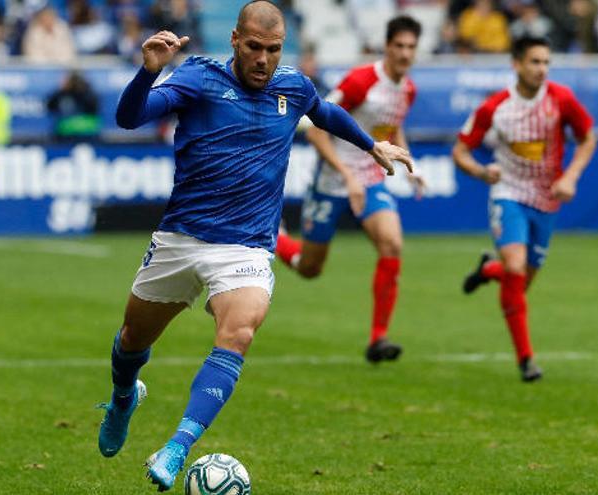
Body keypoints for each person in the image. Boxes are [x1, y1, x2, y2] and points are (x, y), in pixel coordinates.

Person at [97, 1, 413, 491]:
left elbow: (324, 111)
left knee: (239, 332)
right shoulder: (198, 78)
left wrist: (372, 145)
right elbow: (128, 117)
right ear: (235, 42)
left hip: (245, 247)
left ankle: (177, 447)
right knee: (132, 340)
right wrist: (148, 73)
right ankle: (122, 398)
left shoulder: (293, 85)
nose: (264, 59)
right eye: (254, 48)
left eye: (273, 49)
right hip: (182, 237)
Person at [275, 15, 423, 364]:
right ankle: (277, 235)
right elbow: (315, 130)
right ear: (386, 46)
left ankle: (378, 339)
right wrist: (346, 175)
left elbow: (391, 128)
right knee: (309, 268)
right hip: (331, 182)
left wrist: (408, 162)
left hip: (370, 180)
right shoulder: (361, 81)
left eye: (411, 47)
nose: (404, 53)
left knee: (391, 243)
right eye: (399, 45)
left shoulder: (408, 89)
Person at [452, 36, 596, 382]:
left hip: (547, 199)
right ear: (516, 64)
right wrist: (482, 172)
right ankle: (526, 360)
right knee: (515, 268)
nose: (542, 69)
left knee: (520, 281)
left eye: (546, 62)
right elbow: (460, 151)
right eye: (535, 62)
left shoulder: (562, 99)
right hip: (509, 193)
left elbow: (588, 137)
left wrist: (571, 177)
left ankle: (489, 270)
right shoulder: (495, 107)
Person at [46, 70, 101, 141]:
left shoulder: (89, 93)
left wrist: (82, 90)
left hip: (86, 129)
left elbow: (94, 109)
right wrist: (61, 91)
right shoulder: (61, 94)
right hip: (65, 130)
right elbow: (50, 106)